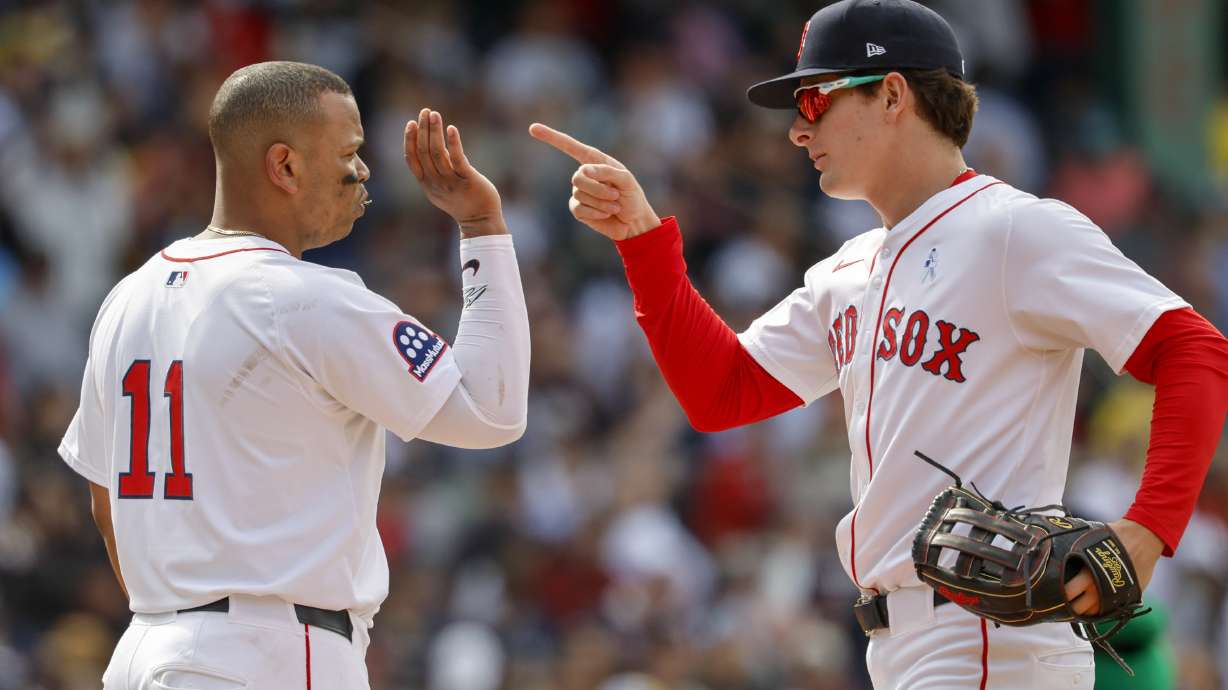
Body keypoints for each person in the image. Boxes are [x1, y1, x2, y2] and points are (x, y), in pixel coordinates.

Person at [530, 1, 1228, 687]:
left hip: (987, 636)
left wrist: (1147, 530)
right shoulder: (846, 271)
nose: (798, 134)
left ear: (893, 94)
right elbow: (722, 392)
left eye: (814, 103)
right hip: (898, 646)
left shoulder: (1015, 231)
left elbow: (1193, 349)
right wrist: (644, 243)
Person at [59, 61, 530, 689]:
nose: (362, 171)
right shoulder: (305, 298)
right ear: (284, 166)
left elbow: (105, 497)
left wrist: (179, 615)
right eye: (349, 152)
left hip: (148, 649)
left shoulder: (128, 296)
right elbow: (492, 411)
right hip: (266, 654)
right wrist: (481, 227)